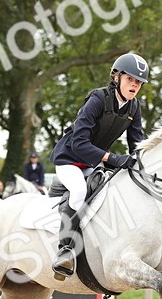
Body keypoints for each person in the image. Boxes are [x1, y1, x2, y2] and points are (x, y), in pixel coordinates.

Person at [49, 52, 148, 279]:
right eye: (130, 79)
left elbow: (137, 142)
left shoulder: (134, 107)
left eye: (138, 82)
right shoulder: (98, 99)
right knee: (79, 191)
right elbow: (79, 143)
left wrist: (143, 162)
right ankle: (65, 250)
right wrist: (113, 160)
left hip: (95, 163)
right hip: (70, 160)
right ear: (116, 77)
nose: (135, 85)